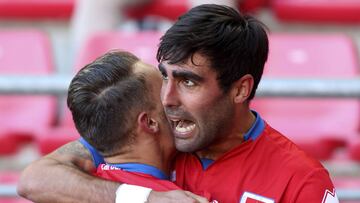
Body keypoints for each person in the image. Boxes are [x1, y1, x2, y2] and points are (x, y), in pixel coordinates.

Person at [18, 4, 338, 203]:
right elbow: (36, 178)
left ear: (241, 89)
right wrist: (149, 199)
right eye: (165, 77)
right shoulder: (151, 139)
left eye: (188, 81)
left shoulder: (300, 181)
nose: (167, 99)